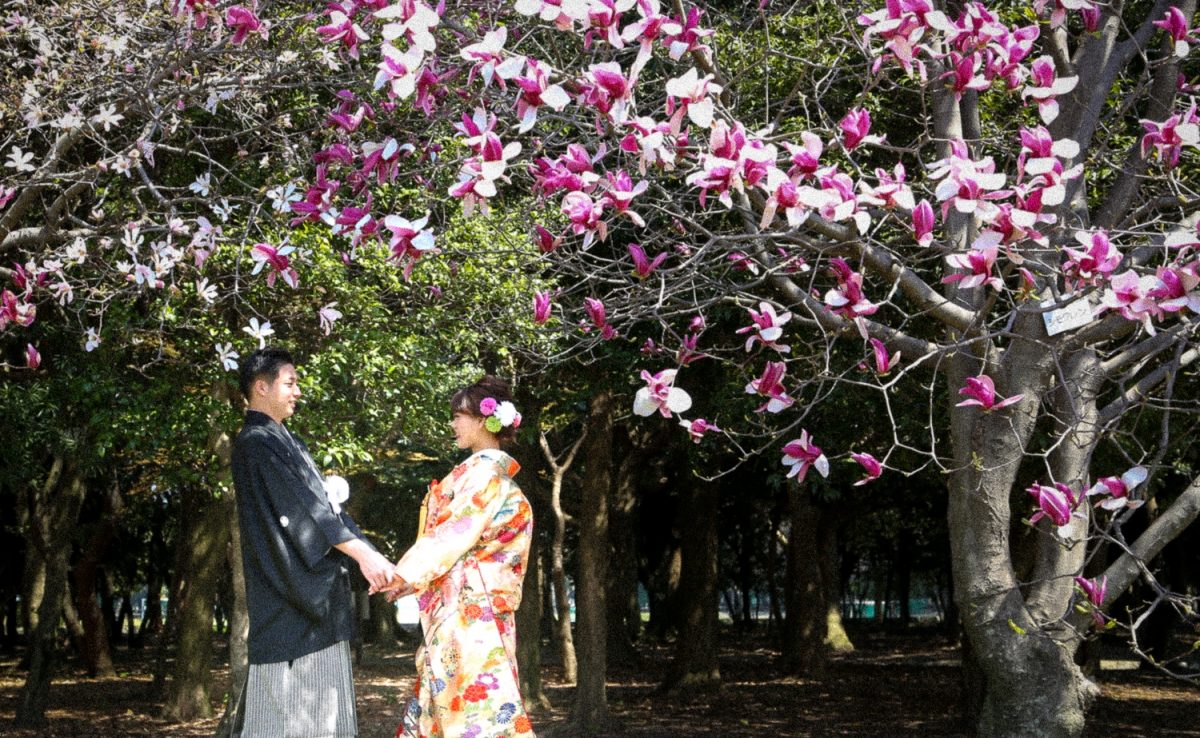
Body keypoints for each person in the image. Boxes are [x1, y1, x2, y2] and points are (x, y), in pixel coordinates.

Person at [230, 346, 394, 738]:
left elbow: (326, 509)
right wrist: (365, 556)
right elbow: (305, 512)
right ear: (261, 387)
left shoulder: (286, 441)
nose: (297, 391)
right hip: (289, 597)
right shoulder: (254, 442)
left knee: (322, 718)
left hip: (313, 597)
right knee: (287, 721)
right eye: (290, 383)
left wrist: (372, 557)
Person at [381, 376, 537, 738]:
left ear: (482, 420)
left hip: (470, 612)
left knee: (474, 709)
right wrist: (414, 578)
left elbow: (454, 533)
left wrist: (407, 573)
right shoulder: (488, 476)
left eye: (458, 416)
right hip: (477, 607)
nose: (453, 424)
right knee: (457, 702)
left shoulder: (484, 476)